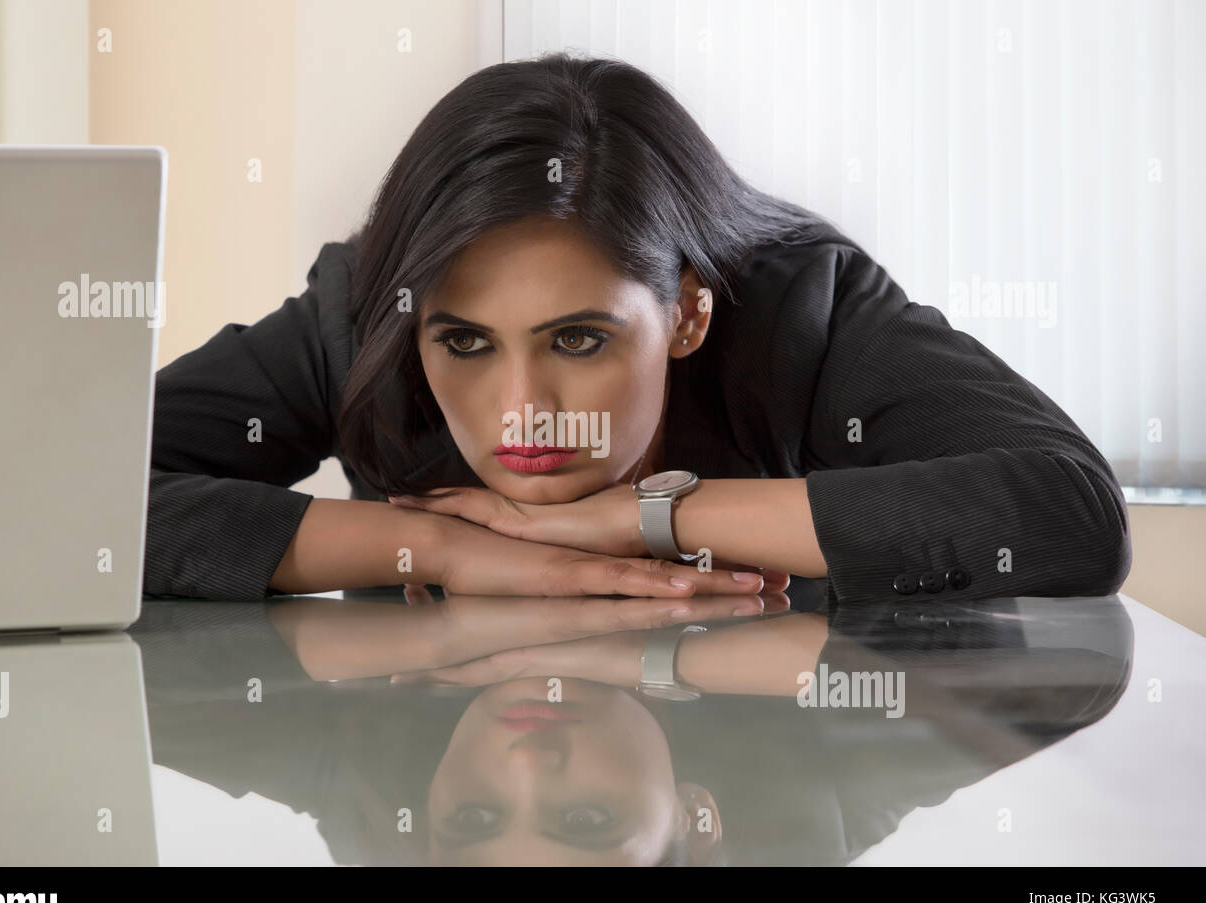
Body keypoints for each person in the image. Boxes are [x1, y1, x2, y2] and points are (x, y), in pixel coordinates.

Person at [143, 53, 1131, 604]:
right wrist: (435, 549)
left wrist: (642, 517)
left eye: (576, 339)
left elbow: (1068, 514)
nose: (521, 412)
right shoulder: (366, 309)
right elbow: (60, 491)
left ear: (688, 310)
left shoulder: (804, 315)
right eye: (466, 343)